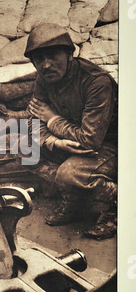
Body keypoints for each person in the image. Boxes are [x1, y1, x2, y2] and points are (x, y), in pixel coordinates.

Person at [24, 23, 118, 239]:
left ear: (69, 54)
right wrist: (54, 143)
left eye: (53, 55)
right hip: (70, 142)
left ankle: (116, 207)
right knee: (25, 152)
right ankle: (74, 202)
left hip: (112, 146)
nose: (46, 65)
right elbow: (33, 120)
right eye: (39, 59)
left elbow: (90, 140)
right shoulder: (43, 78)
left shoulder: (96, 82)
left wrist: (53, 119)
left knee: (69, 173)